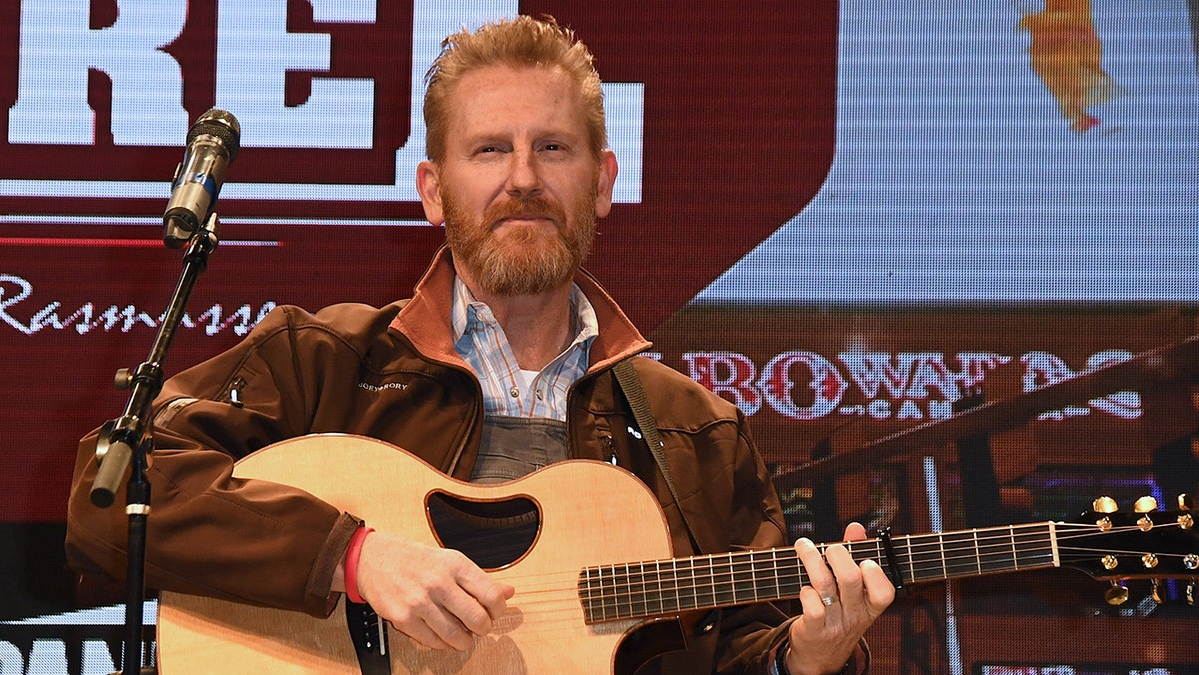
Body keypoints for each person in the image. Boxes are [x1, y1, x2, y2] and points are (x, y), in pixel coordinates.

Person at [66, 15, 894, 674]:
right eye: (490, 148)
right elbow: (110, 500)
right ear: (434, 189)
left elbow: (741, 652)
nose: (523, 178)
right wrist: (352, 556)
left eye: (554, 148)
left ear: (603, 183)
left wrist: (810, 656)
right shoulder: (319, 360)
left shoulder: (694, 431)